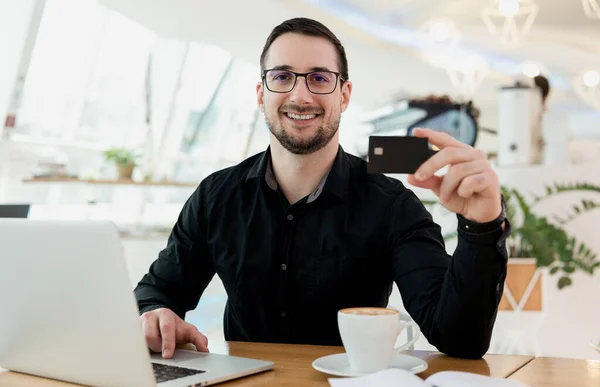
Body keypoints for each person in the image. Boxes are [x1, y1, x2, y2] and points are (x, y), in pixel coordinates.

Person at [135, 17, 510, 360]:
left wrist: (482, 227)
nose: (300, 96)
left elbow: (459, 339)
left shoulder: (393, 207)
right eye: (282, 77)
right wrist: (154, 315)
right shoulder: (216, 196)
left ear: (344, 96)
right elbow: (158, 292)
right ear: (261, 93)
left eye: (319, 78)